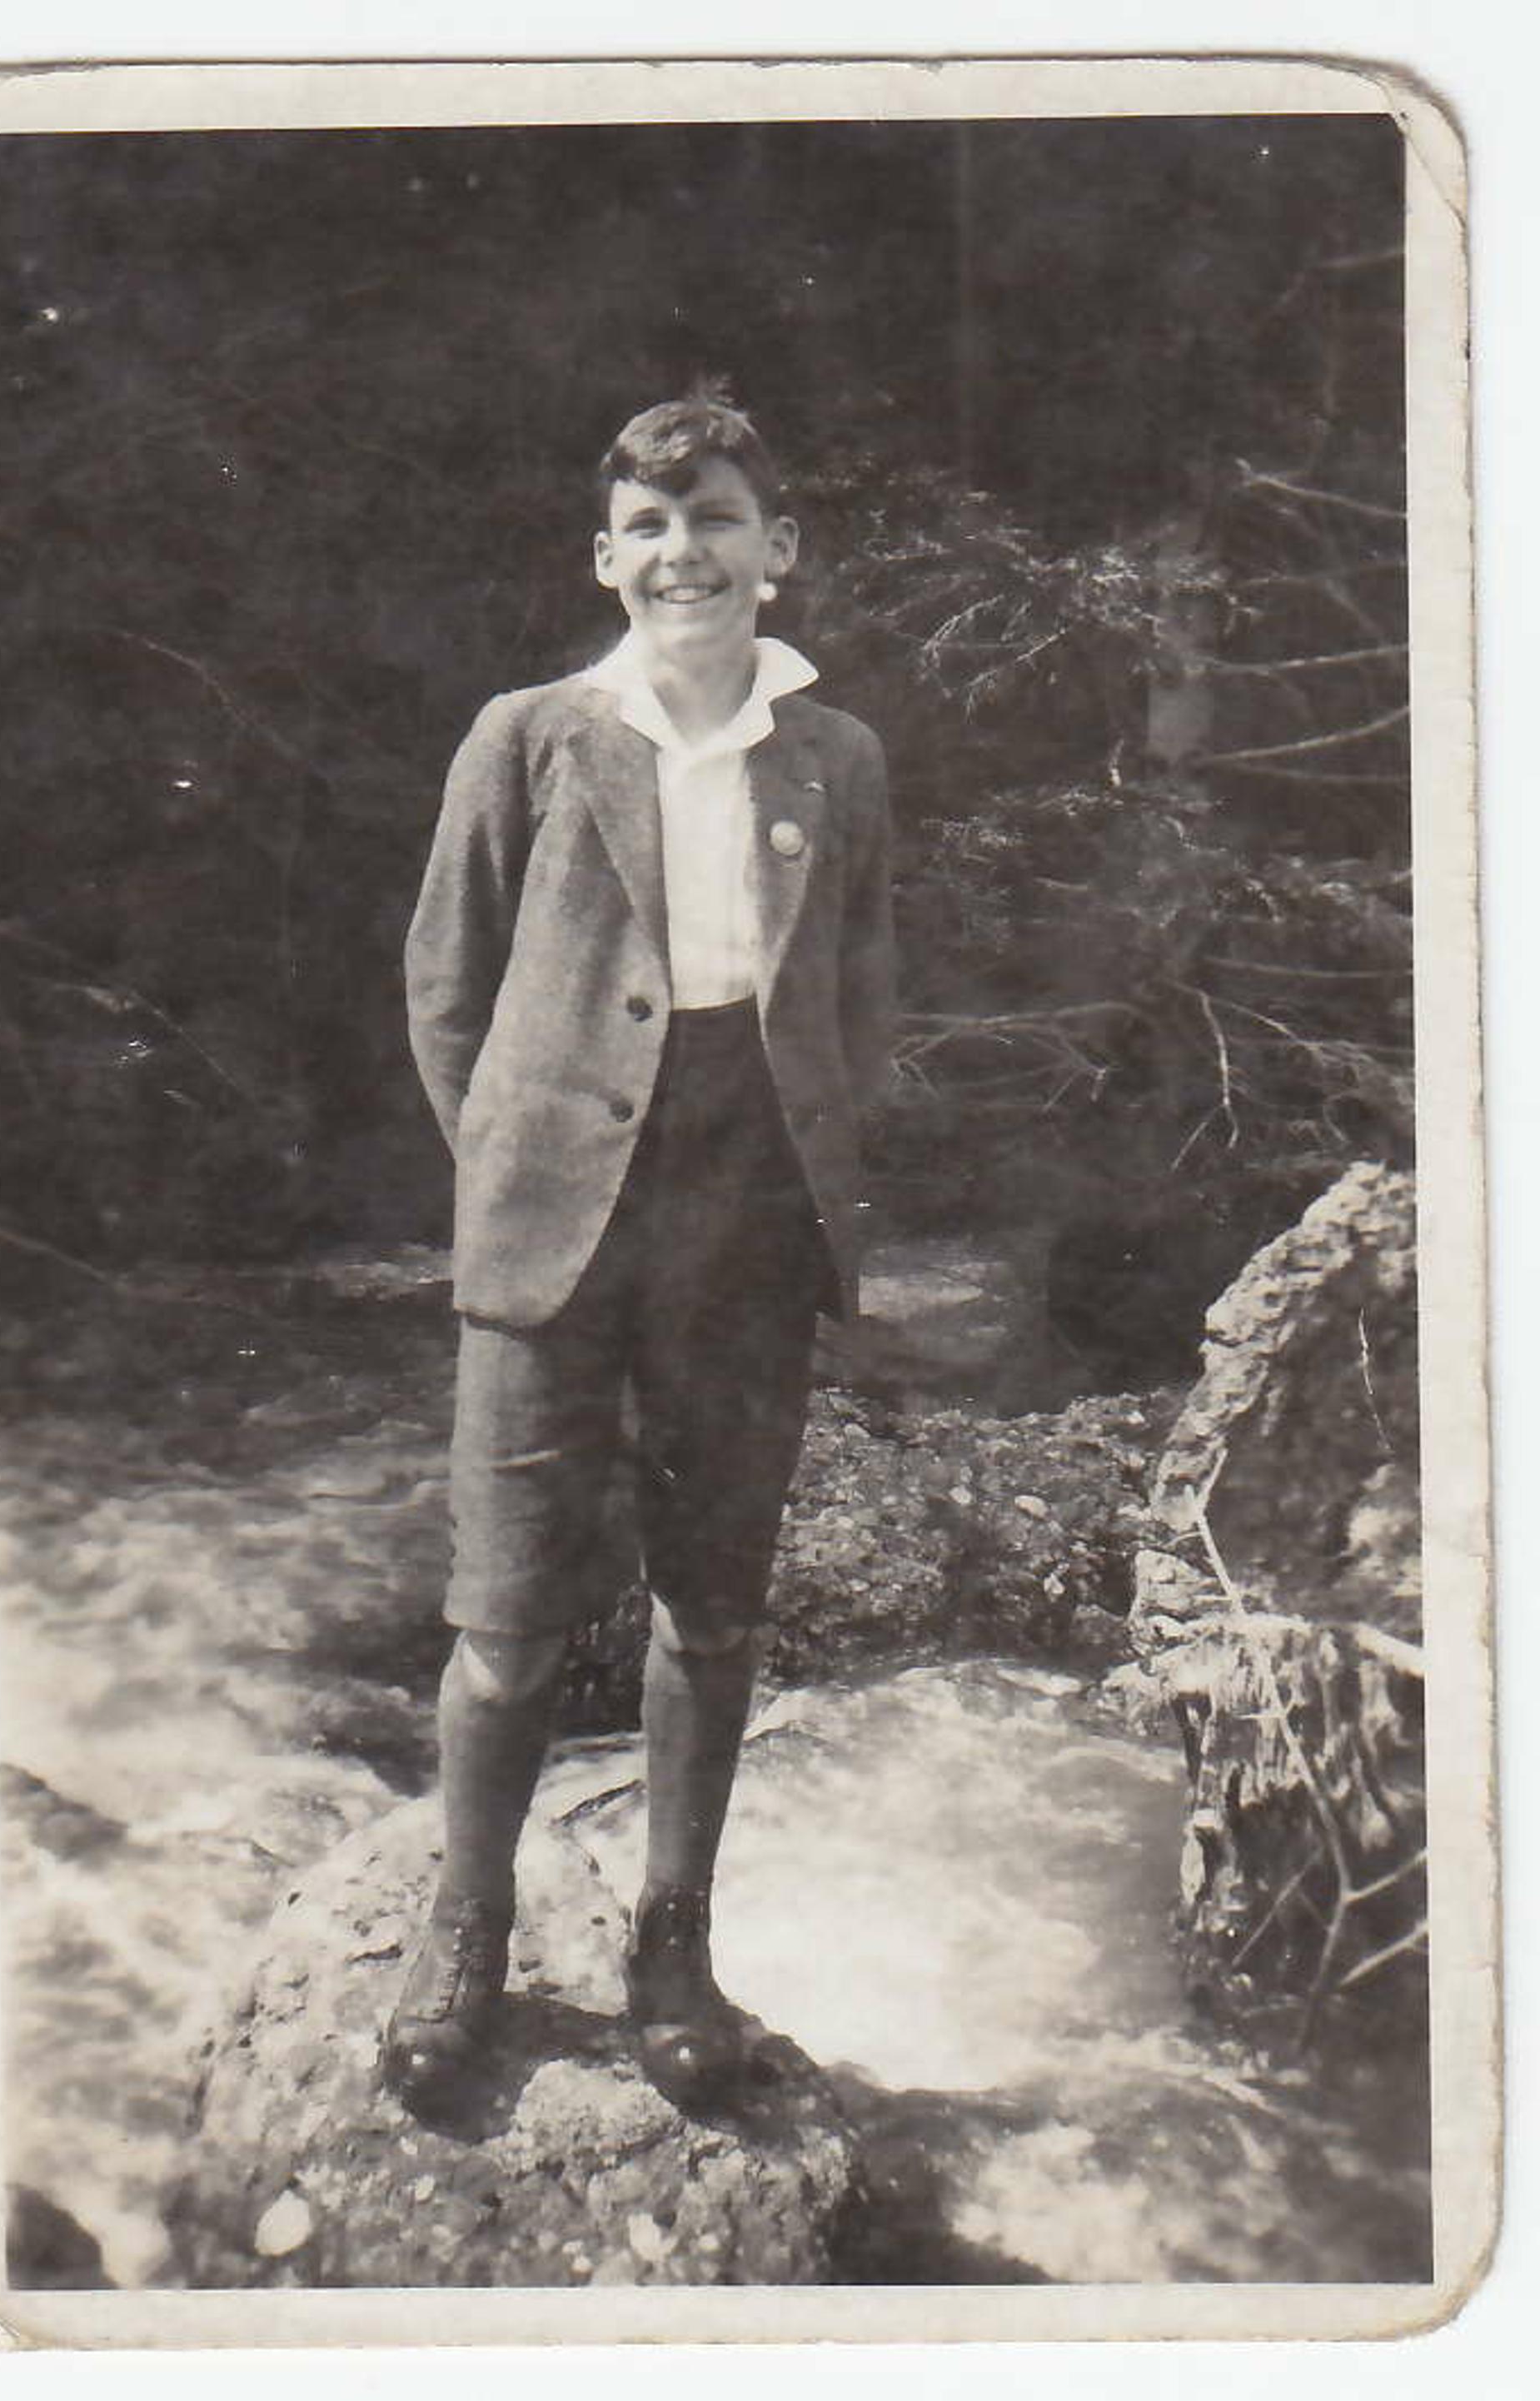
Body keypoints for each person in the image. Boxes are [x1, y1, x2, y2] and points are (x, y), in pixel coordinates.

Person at [391, 393, 895, 2117]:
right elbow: (448, 987)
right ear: (607, 560)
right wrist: (519, 1171)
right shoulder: (530, 736)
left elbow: (859, 989)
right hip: (556, 1212)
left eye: (720, 520)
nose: (688, 554)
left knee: (716, 1602)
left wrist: (802, 1159)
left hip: (748, 1204)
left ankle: (673, 1944)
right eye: (652, 528)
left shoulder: (837, 756)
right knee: (509, 1608)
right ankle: (463, 1926)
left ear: (778, 550)